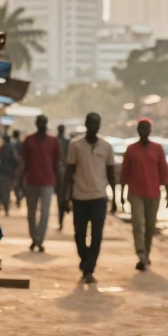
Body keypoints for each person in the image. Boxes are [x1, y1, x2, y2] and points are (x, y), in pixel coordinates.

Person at [64, 113, 117, 284]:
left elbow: (111, 174)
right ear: (86, 124)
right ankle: (85, 258)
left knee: (96, 235)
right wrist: (65, 197)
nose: (93, 126)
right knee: (79, 234)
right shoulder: (76, 146)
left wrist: (115, 198)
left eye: (96, 124)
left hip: (99, 197)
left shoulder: (107, 147)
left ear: (99, 126)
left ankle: (89, 268)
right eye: (90, 123)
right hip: (79, 197)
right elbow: (69, 172)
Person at [118, 118, 168, 271]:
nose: (144, 130)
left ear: (150, 130)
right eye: (141, 128)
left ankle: (146, 253)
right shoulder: (131, 149)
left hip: (153, 193)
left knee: (150, 226)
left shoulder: (157, 148)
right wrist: (120, 194)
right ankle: (141, 253)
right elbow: (124, 173)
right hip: (135, 193)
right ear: (138, 130)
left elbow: (164, 171)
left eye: (146, 128)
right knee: (138, 223)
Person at [19, 115, 61, 252]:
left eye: (44, 123)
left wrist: (58, 182)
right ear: (36, 124)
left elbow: (57, 163)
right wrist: (20, 181)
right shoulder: (29, 140)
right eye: (40, 123)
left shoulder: (53, 141)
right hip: (31, 180)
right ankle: (34, 238)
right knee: (31, 212)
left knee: (45, 212)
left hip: (48, 181)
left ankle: (40, 239)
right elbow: (24, 161)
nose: (42, 125)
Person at [0, 133, 19, 215]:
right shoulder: (11, 148)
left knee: (2, 190)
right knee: (6, 191)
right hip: (9, 173)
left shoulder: (2, 148)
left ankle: (5, 206)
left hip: (2, 172)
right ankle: (6, 207)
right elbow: (15, 160)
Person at [55, 124, 71, 230]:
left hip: (65, 174)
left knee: (62, 198)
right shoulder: (55, 141)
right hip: (59, 175)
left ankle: (61, 220)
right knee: (61, 198)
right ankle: (61, 220)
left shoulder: (67, 142)